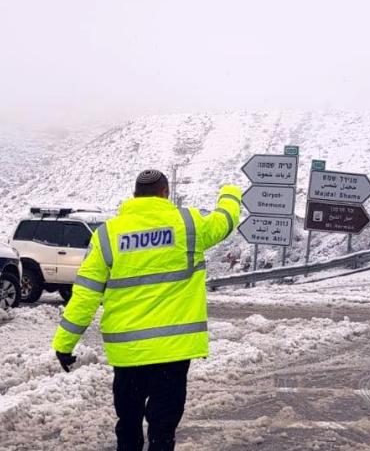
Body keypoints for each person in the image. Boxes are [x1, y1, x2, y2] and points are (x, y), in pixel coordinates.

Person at [52, 169, 241, 451]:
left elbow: (85, 295)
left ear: (134, 196)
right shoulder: (188, 225)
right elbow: (226, 220)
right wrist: (230, 192)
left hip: (128, 354)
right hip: (172, 351)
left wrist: (63, 344)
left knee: (128, 423)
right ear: (165, 193)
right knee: (163, 427)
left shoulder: (108, 235)